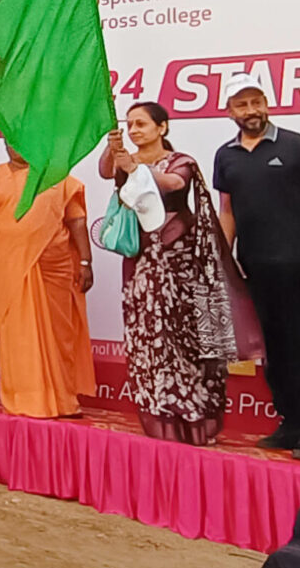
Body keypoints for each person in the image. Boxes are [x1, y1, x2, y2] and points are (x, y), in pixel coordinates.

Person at [102, 102, 237, 445]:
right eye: (130, 125)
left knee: (183, 337)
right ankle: (160, 416)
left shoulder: (182, 161)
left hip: (180, 263)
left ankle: (195, 418)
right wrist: (112, 149)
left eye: (141, 124)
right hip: (141, 262)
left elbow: (174, 184)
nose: (134, 130)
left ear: (162, 128)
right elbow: (106, 172)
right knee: (148, 338)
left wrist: (137, 169)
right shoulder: (125, 159)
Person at [214, 85, 300, 461]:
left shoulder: (295, 145)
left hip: (297, 264)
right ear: (230, 111)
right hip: (255, 266)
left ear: (266, 106)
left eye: (256, 102)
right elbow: (228, 211)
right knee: (272, 350)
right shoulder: (226, 155)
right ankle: (289, 423)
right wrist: (225, 258)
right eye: (242, 104)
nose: (251, 110)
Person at [0, 140, 95, 419]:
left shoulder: (57, 176)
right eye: (11, 143)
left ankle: (63, 400)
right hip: (10, 266)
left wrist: (85, 261)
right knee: (17, 334)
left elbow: (77, 221)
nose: (17, 148)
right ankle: (25, 399)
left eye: (23, 141)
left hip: (55, 268)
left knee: (60, 334)